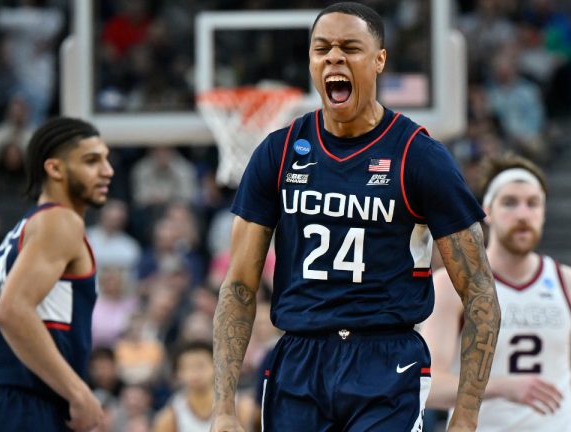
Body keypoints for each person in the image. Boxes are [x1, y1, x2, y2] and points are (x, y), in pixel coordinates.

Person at [210, 3, 500, 431]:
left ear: (379, 60)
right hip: (299, 359)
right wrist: (223, 407)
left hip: (387, 361)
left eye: (350, 47)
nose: (334, 58)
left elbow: (479, 289)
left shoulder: (419, 156)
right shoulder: (277, 151)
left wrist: (467, 414)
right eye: (321, 48)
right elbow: (238, 286)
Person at [421, 154, 571, 431]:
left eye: (532, 204)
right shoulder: (453, 283)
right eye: (510, 203)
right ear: (486, 210)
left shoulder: (569, 283)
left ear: (544, 213)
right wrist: (501, 387)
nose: (523, 214)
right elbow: (427, 384)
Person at [0, 117, 113, 431]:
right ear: (55, 169)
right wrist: (79, 393)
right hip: (21, 404)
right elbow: (12, 310)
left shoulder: (22, 230)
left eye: (107, 159)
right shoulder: (60, 221)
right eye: (91, 161)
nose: (107, 170)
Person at [153, 341, 214, 432]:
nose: (195, 372)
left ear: (217, 367)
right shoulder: (170, 416)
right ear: (178, 374)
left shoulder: (238, 407)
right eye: (188, 367)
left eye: (200, 365)